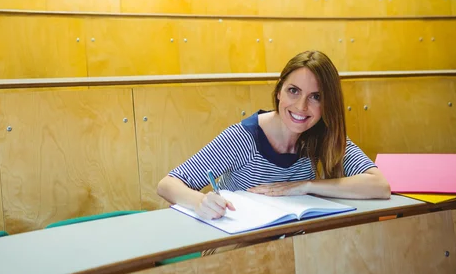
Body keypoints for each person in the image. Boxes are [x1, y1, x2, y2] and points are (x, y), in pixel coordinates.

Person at [157, 50, 391, 223]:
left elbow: (379, 185)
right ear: (279, 91)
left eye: (316, 97)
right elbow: (168, 184)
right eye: (293, 91)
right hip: (240, 247)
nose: (301, 106)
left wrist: (305, 186)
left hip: (295, 243)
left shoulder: (322, 135)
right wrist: (200, 202)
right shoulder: (243, 138)